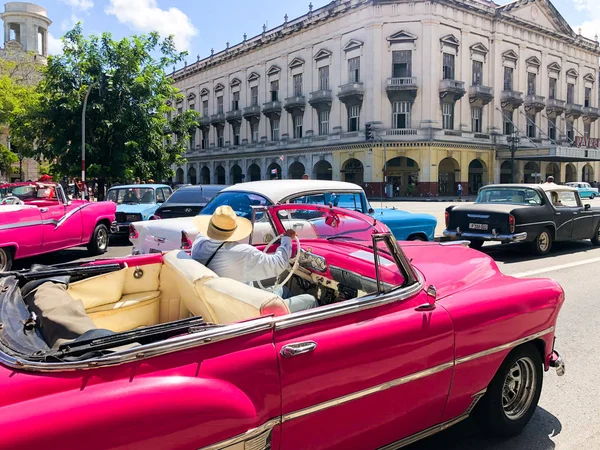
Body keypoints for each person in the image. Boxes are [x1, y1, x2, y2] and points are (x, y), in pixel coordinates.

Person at [191, 206, 318, 313]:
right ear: (234, 231)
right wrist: (287, 240)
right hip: (246, 309)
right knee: (311, 300)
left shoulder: (199, 243)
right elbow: (279, 264)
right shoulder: (241, 253)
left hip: (222, 303)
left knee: (282, 290)